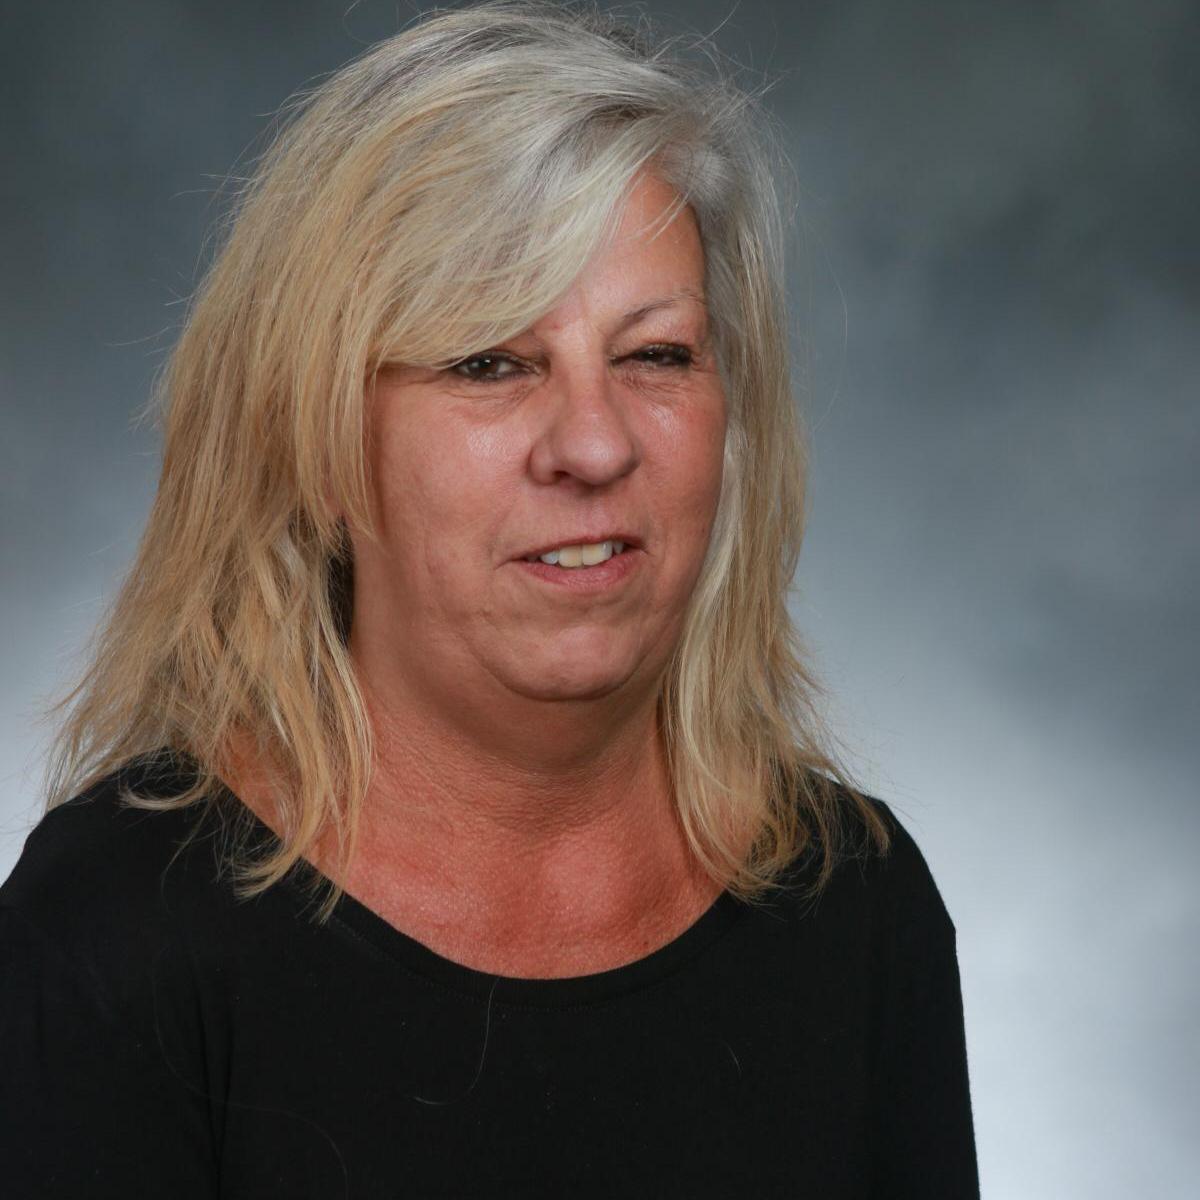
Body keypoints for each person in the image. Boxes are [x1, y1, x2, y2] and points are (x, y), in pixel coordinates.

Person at [0, 1, 979, 1195]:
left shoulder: (858, 905)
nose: (594, 444)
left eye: (656, 355)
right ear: (319, 437)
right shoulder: (114, 932)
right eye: (490, 362)